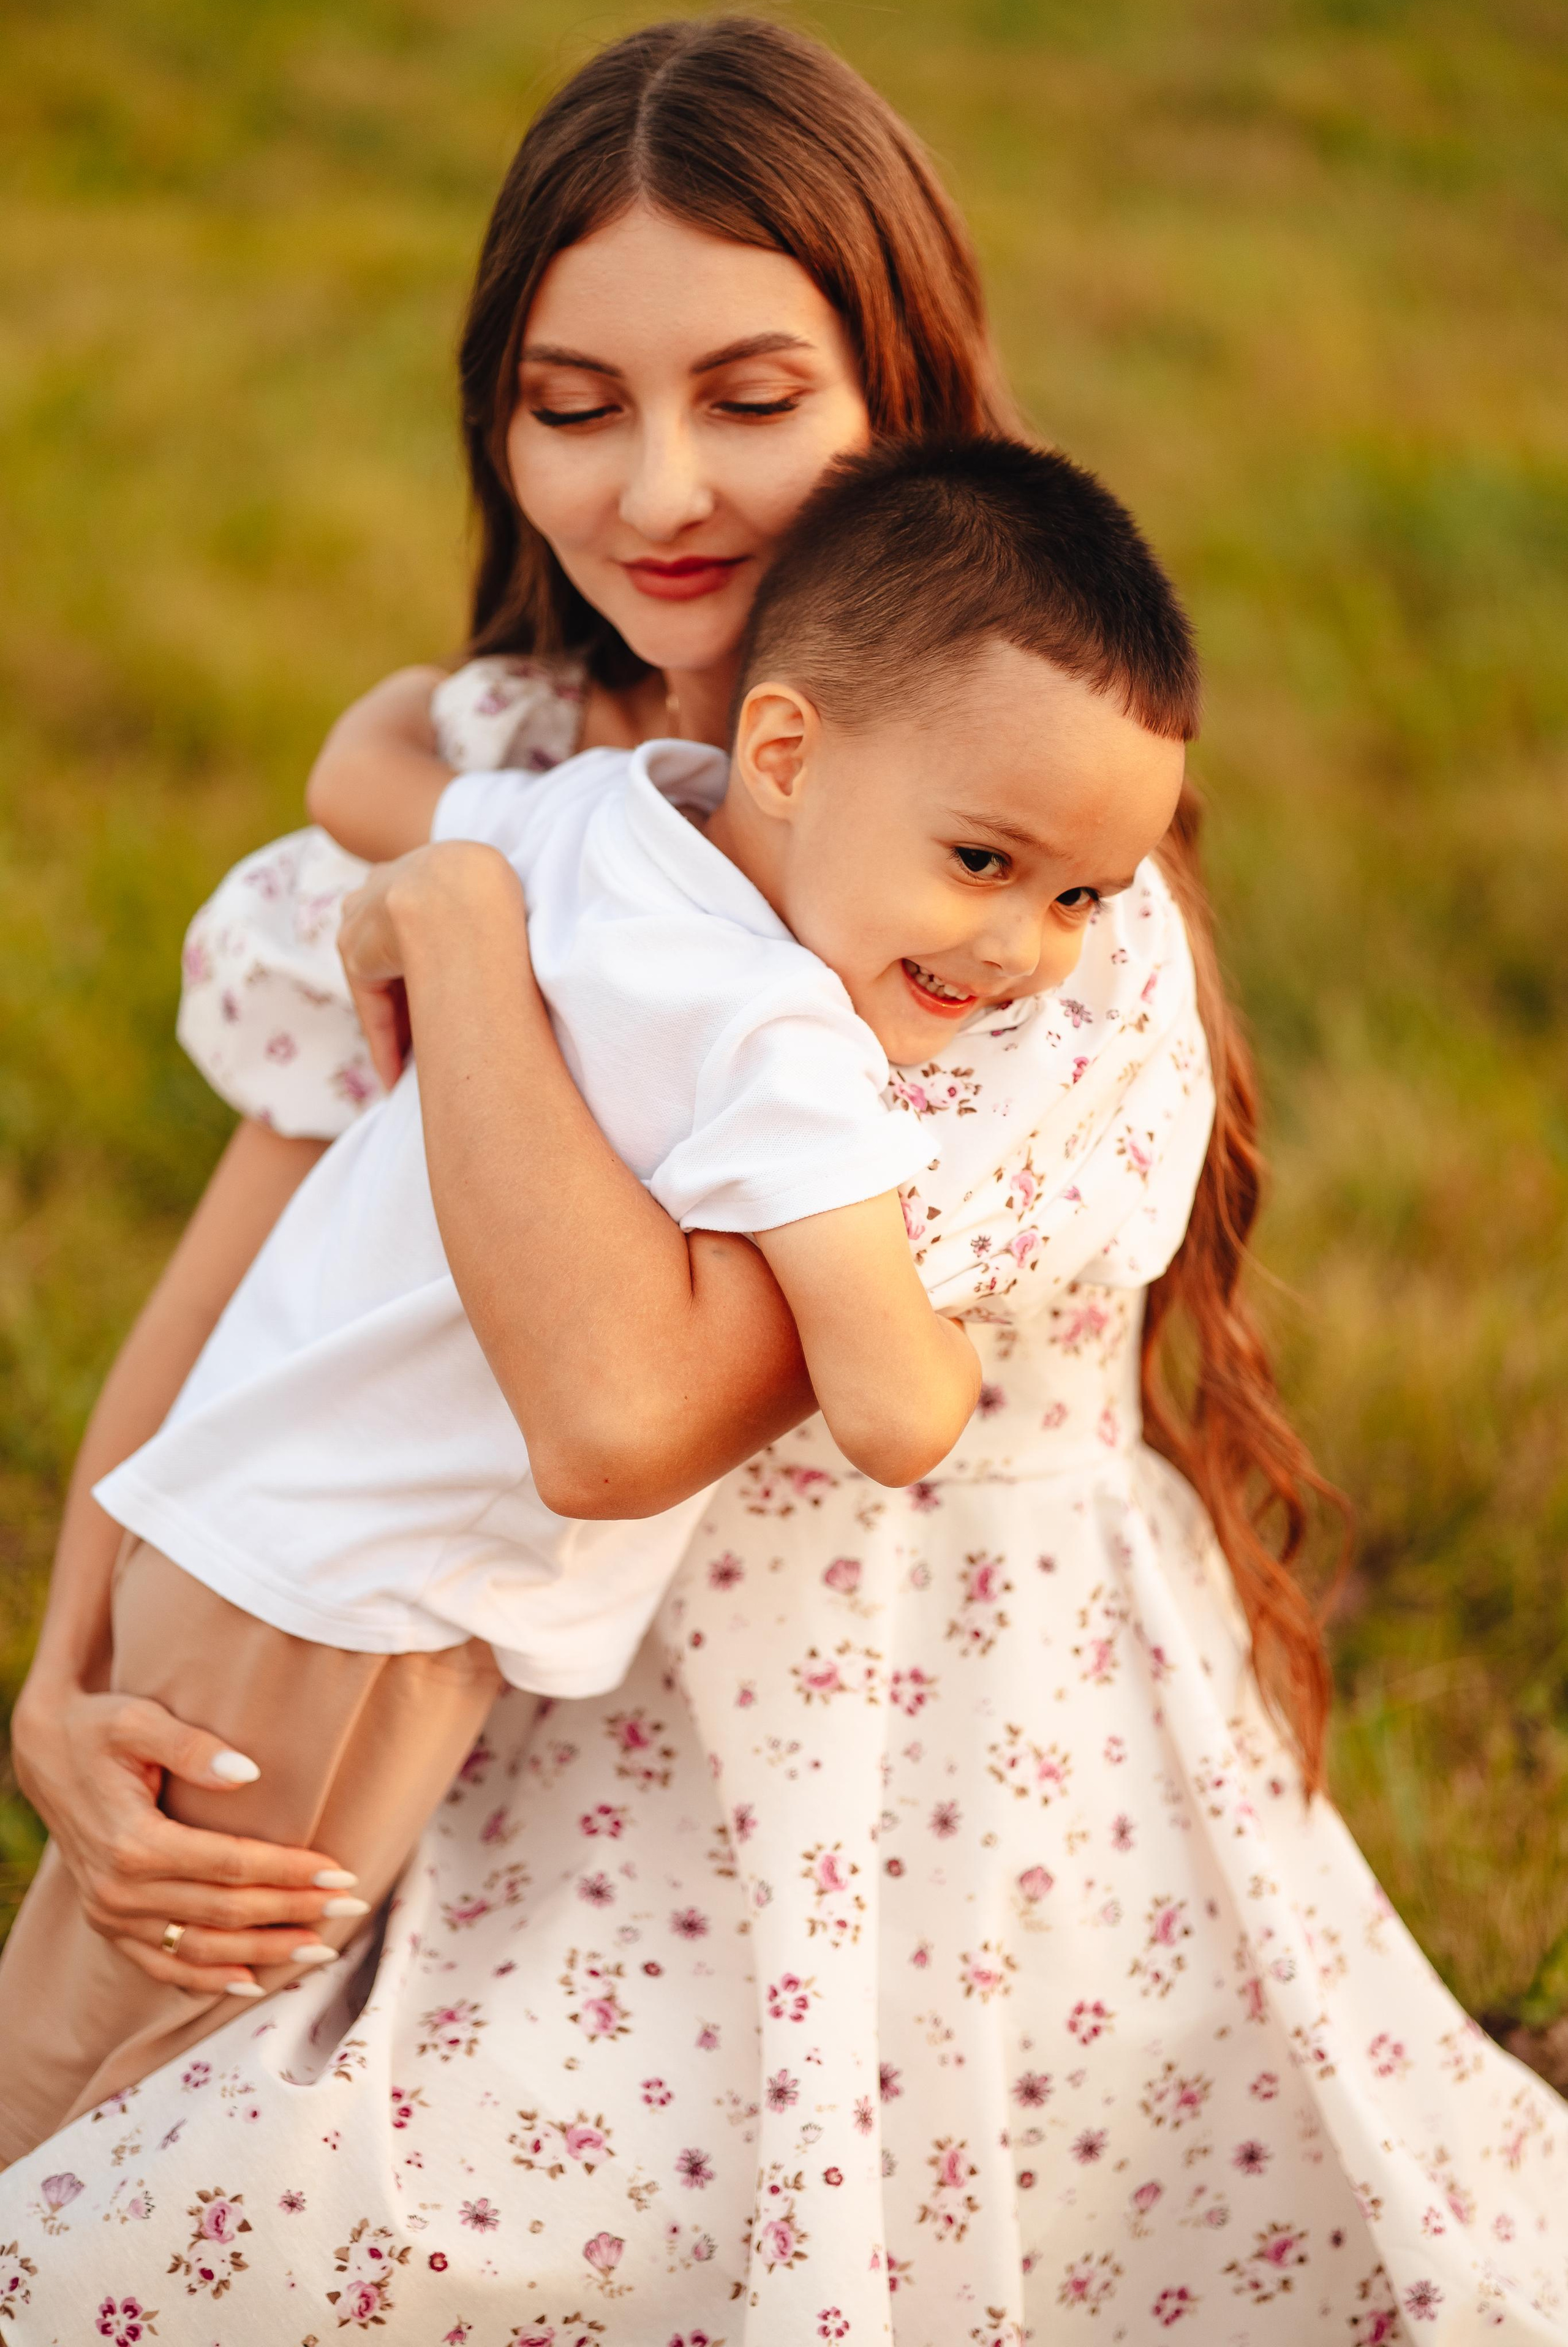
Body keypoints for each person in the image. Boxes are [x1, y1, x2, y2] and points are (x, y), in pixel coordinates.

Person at [2, 15, 1562, 2342]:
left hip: (924, 1787)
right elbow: (249, 1282)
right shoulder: (529, 767)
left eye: (751, 398)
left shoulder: (1000, 920)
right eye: (570, 402)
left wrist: (463, 924)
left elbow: (628, 1417)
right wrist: (57, 1680)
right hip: (488, 1714)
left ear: (898, 392)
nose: (656, 494)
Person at [0, 435, 1195, 2149]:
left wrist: (433, 689)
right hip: (356, 1612)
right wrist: (925, 1270)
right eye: (987, 864)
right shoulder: (788, 1048)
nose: (1023, 957)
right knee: (151, 2056)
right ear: (785, 750)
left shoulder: (601, 816)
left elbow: (363, 773)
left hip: (258, 1524)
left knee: (123, 1990)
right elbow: (897, 1412)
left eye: (1084, 898)